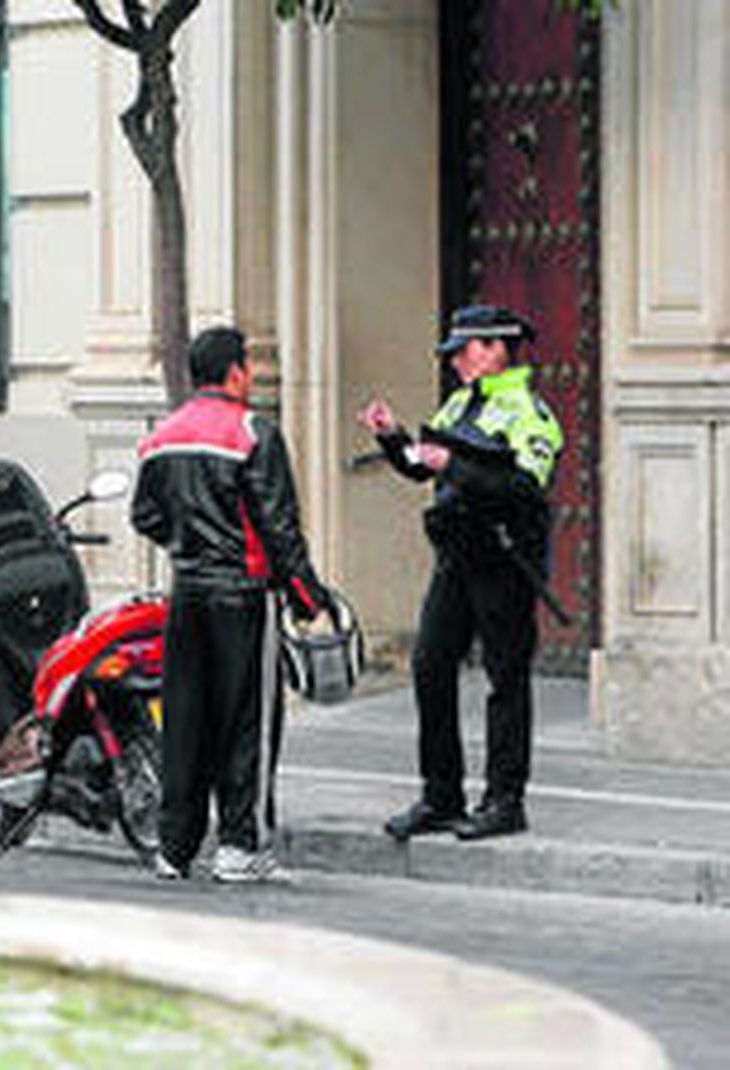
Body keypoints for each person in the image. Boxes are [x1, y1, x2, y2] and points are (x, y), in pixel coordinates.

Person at [359, 304, 563, 842]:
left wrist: (456, 466)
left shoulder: (529, 413)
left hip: (504, 561)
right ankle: (441, 797)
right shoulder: (458, 404)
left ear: (496, 348)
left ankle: (504, 801)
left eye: (463, 351)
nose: (455, 362)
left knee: (505, 679)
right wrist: (392, 437)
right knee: (430, 665)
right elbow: (420, 465)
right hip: (456, 558)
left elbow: (525, 489)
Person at [132, 326, 327, 883]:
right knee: (248, 724)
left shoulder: (161, 437)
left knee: (185, 721)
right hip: (244, 597)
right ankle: (242, 846)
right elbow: (278, 524)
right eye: (249, 366)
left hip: (188, 594)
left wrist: (187, 544)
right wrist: (307, 595)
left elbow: (145, 516)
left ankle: (175, 848)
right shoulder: (252, 433)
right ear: (236, 372)